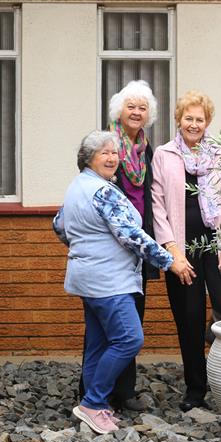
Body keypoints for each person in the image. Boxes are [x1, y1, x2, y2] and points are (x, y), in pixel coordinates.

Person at [53, 130, 189, 434]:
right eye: (104, 153)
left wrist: (85, 248)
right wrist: (170, 262)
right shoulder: (104, 192)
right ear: (89, 158)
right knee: (129, 338)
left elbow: (59, 225)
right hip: (109, 281)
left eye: (115, 153)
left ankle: (94, 405)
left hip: (87, 278)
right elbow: (131, 236)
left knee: (99, 344)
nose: (112, 158)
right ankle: (92, 402)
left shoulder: (78, 187)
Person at [151, 90, 221, 412]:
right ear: (179, 120)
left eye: (199, 119)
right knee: (188, 320)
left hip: (216, 245)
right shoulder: (164, 154)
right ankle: (195, 390)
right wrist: (173, 253)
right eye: (188, 118)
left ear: (208, 122)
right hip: (181, 249)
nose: (193, 124)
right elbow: (157, 206)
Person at [79, 79, 157, 413]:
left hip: (137, 248)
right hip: (109, 247)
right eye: (131, 106)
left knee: (132, 318)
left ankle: (123, 391)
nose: (136, 112)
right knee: (101, 327)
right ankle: (91, 392)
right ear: (119, 111)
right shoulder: (106, 146)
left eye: (142, 107)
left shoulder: (147, 148)